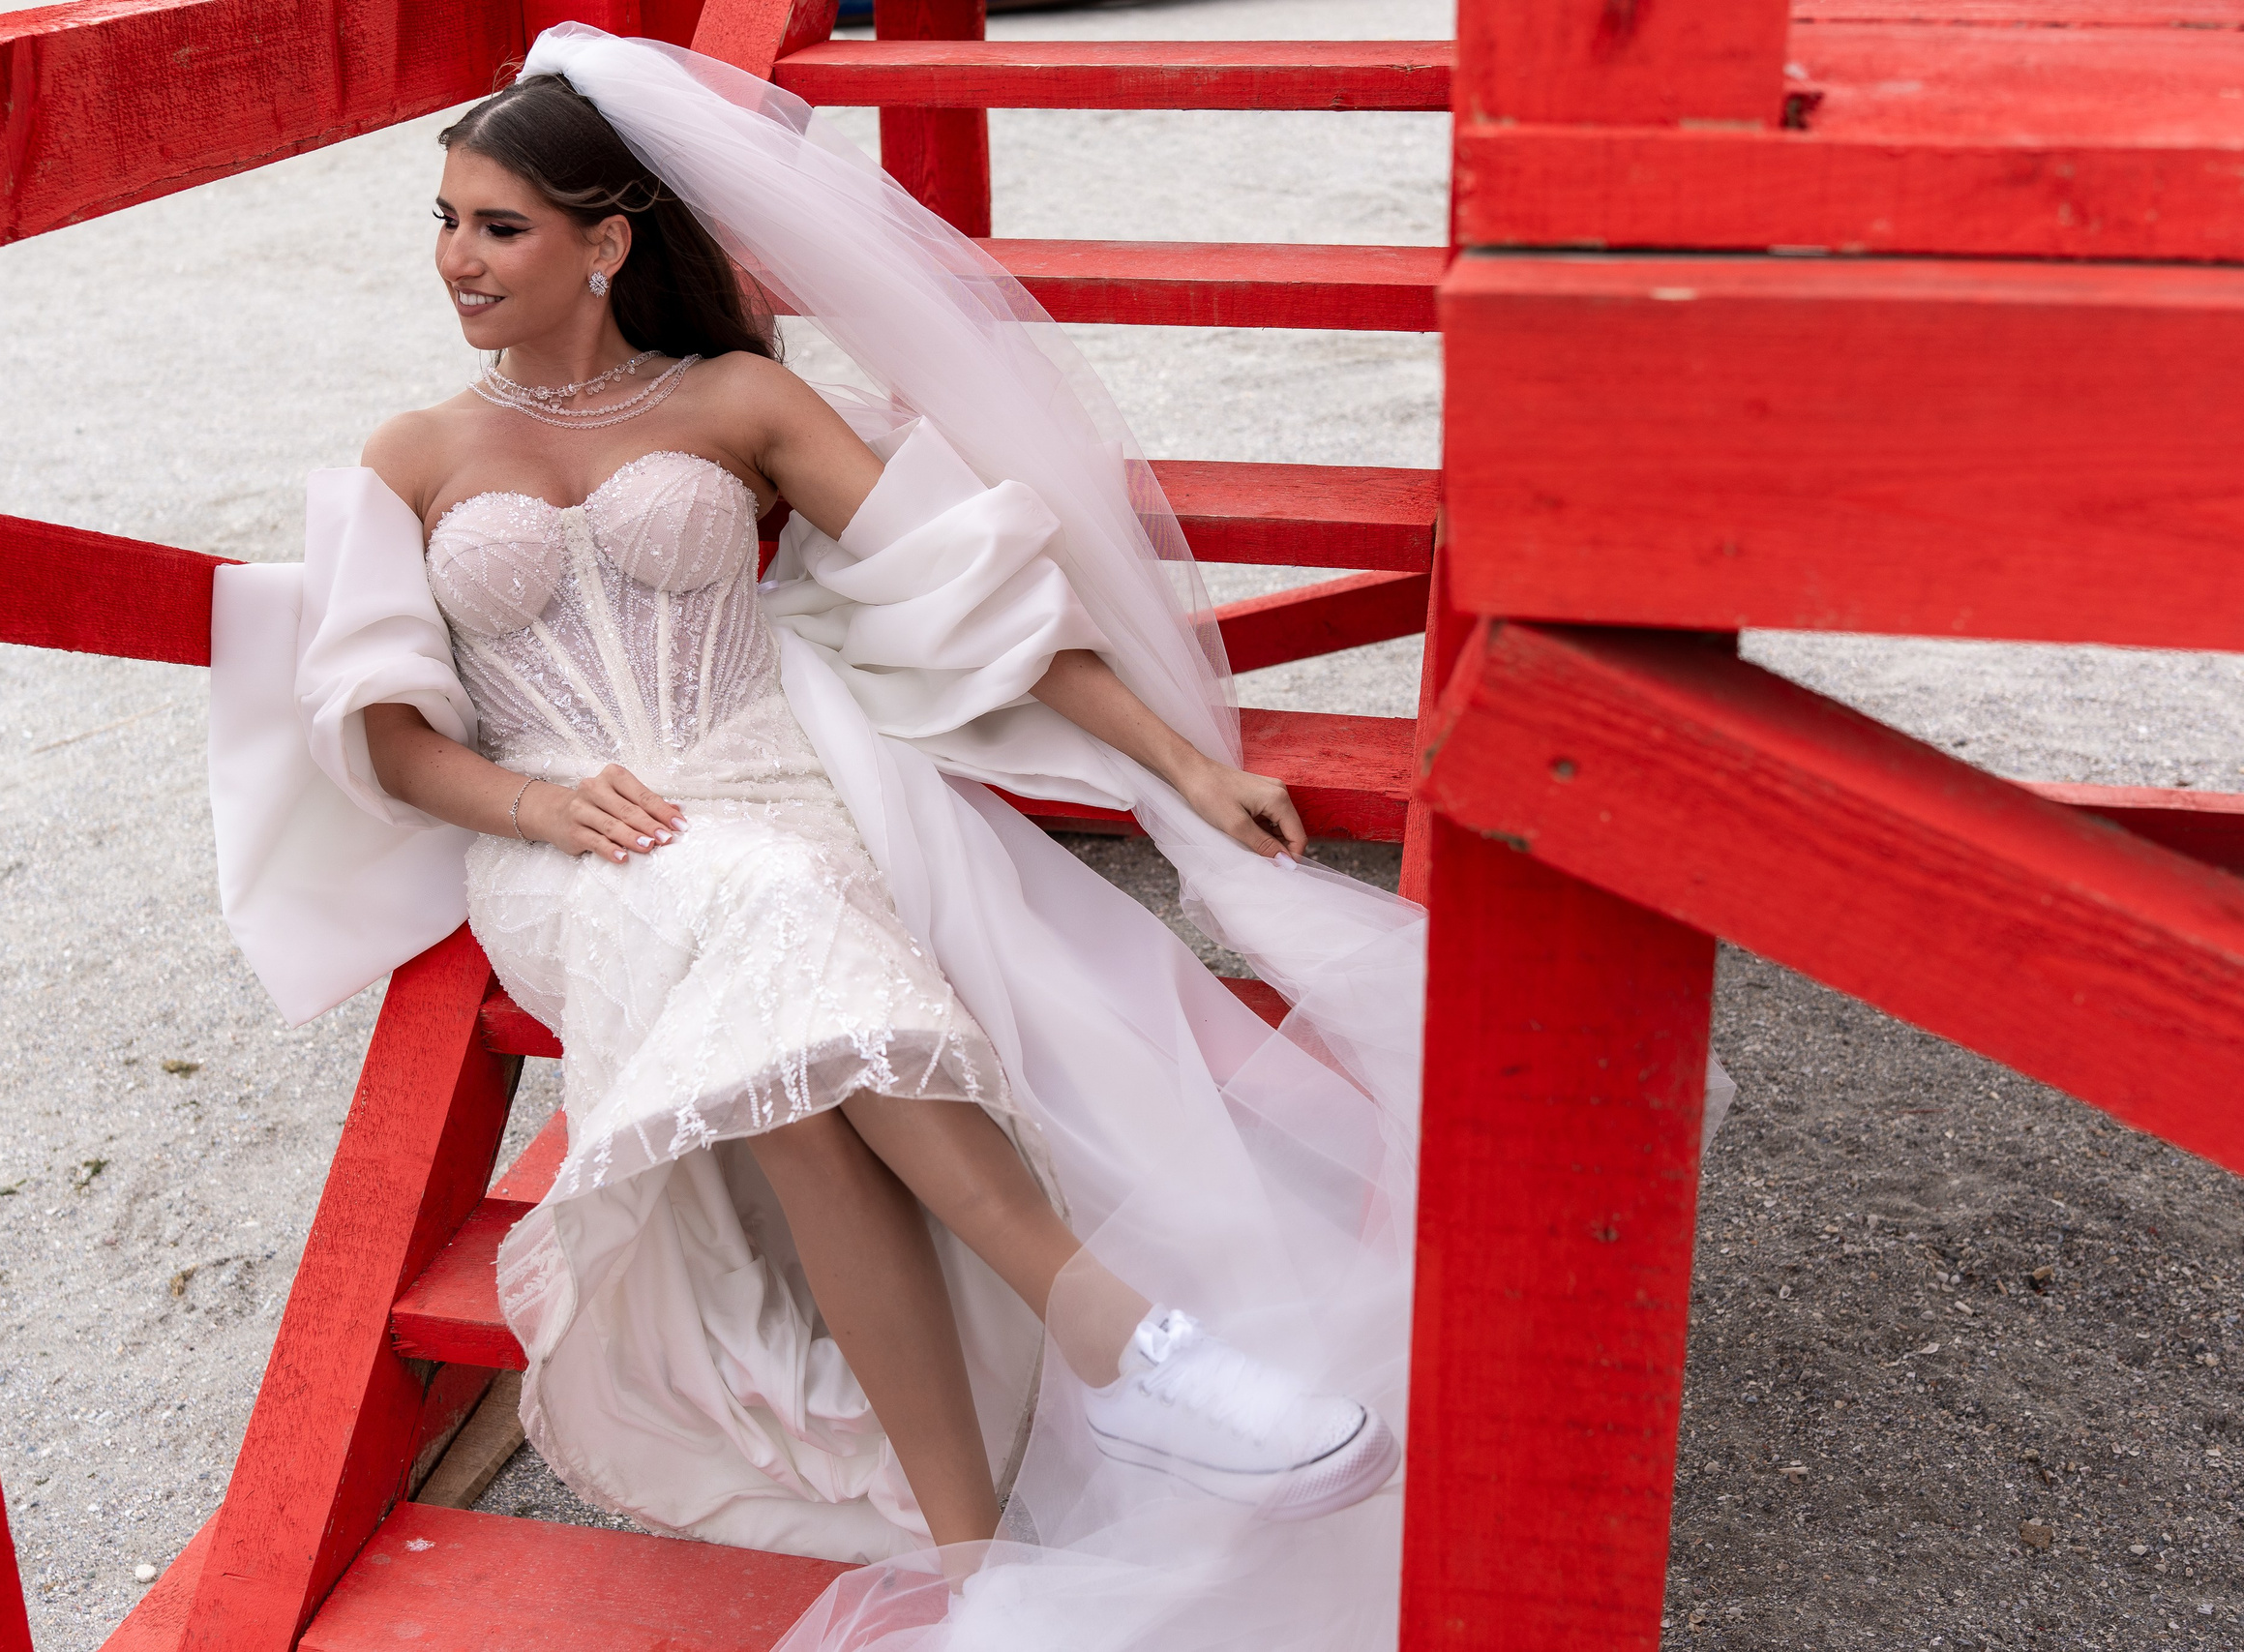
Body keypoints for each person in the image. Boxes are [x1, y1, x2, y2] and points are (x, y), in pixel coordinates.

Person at [210, 25, 1433, 1649]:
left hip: (766, 781)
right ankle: (1124, 1344)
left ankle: (985, 1572)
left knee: (798, 1072)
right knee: (759, 913)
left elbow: (961, 587)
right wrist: (539, 803)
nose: (457, 261)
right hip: (566, 841)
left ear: (608, 242)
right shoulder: (416, 456)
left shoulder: (739, 398)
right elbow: (378, 731)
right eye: (442, 221)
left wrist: (1175, 766)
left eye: (497, 226)